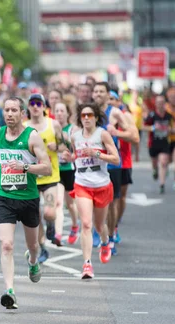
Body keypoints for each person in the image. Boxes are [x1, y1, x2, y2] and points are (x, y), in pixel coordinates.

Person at [0, 97, 51, 309]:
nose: (9, 114)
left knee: (33, 245)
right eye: (6, 110)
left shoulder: (32, 137)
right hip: (5, 197)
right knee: (6, 244)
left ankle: (32, 262)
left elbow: (47, 168)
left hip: (28, 198)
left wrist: (25, 168)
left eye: (14, 110)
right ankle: (9, 290)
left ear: (22, 114)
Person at [62, 103, 120, 279]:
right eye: (83, 115)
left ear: (96, 117)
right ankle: (87, 264)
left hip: (101, 184)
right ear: (80, 118)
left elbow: (116, 159)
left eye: (90, 115)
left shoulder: (103, 134)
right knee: (86, 224)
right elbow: (76, 155)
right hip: (82, 184)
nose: (86, 118)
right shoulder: (75, 136)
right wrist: (69, 157)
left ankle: (105, 242)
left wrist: (96, 154)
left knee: (99, 225)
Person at [93, 83, 138, 255]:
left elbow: (134, 135)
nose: (97, 94)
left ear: (107, 95)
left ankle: (110, 236)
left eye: (101, 92)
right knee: (90, 200)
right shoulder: (87, 112)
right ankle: (97, 231)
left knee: (111, 202)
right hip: (92, 164)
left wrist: (117, 133)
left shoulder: (115, 113)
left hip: (112, 164)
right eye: (95, 91)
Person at [26, 93, 64, 264]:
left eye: (38, 103)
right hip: (31, 177)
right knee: (34, 216)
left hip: (50, 175)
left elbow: (65, 145)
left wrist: (57, 146)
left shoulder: (53, 124)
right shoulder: (24, 126)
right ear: (28, 107)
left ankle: (51, 224)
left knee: (49, 212)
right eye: (32, 103)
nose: (35, 106)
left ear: (44, 107)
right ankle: (42, 247)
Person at [54, 102, 79, 246]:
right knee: (58, 202)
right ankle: (58, 233)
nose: (59, 113)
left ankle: (75, 225)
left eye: (62, 110)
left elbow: (76, 148)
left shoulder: (72, 129)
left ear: (67, 114)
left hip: (69, 169)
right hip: (56, 170)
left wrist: (63, 139)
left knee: (70, 204)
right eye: (57, 110)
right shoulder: (51, 127)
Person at [142, 94, 173, 194]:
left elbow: (172, 127)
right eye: (158, 102)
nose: (160, 104)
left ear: (165, 104)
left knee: (163, 162)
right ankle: (155, 170)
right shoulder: (152, 115)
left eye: (162, 102)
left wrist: (170, 130)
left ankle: (162, 184)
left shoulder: (168, 115)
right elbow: (143, 127)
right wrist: (153, 128)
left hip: (164, 142)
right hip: (153, 143)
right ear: (155, 104)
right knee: (155, 163)